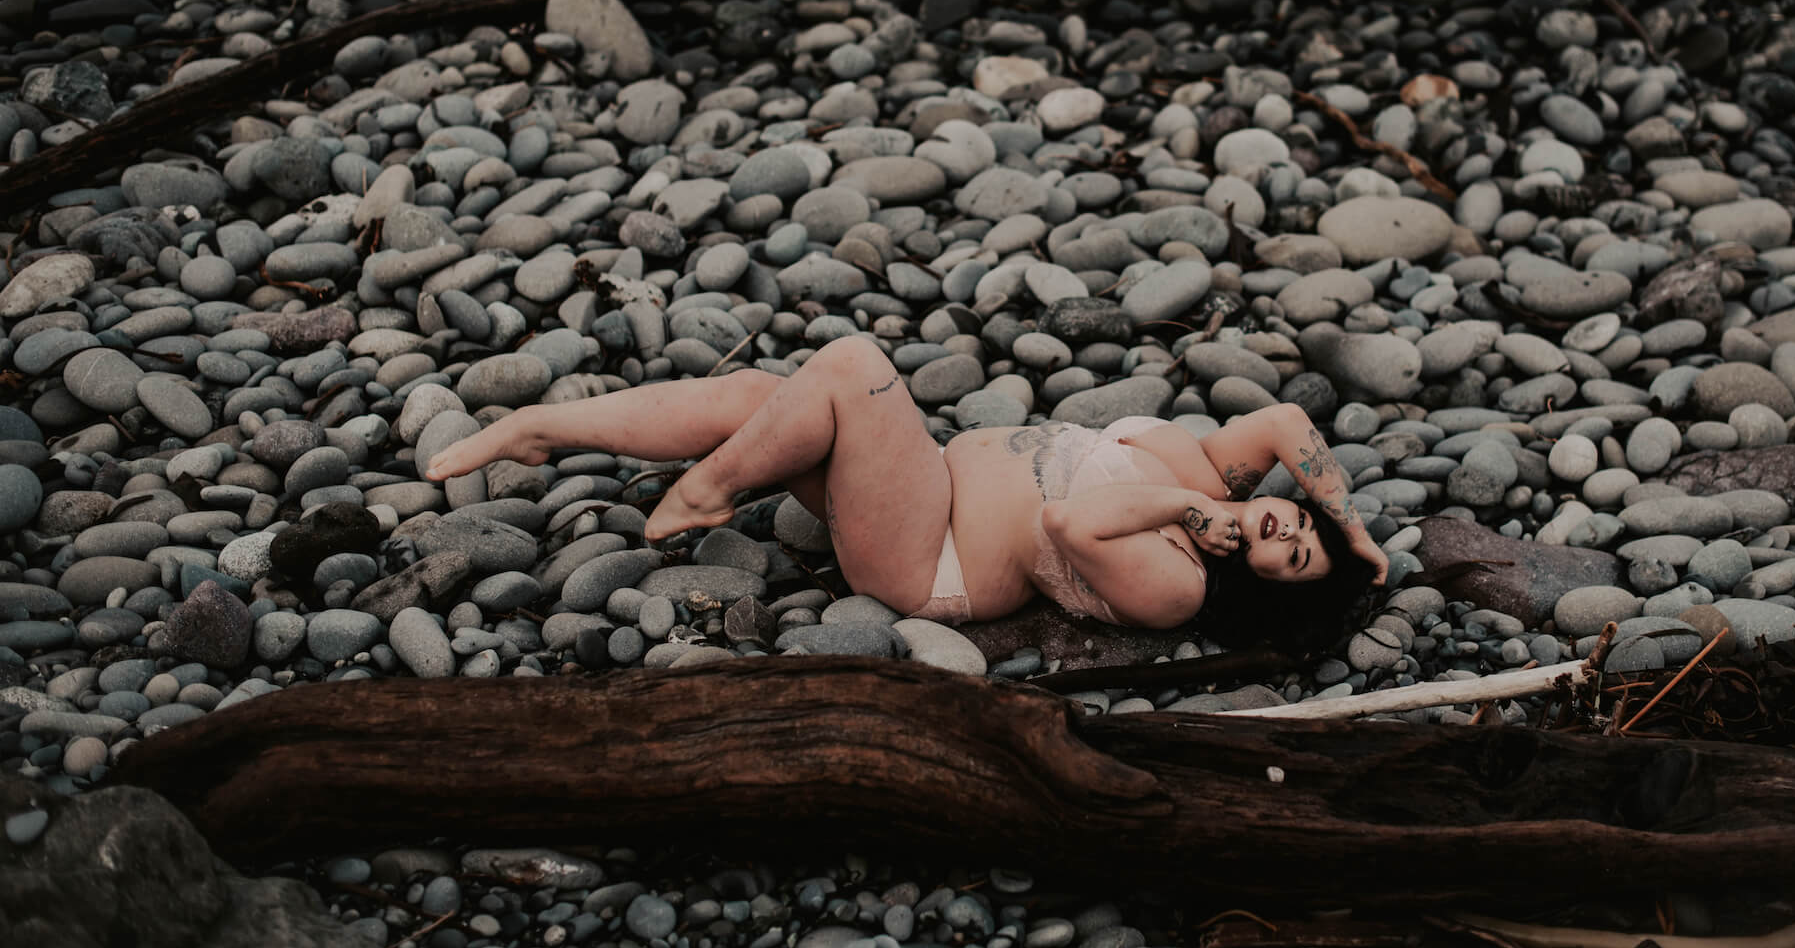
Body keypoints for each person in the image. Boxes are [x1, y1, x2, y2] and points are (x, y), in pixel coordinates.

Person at [425, 335, 1388, 637]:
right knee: (768, 395)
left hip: (930, 556)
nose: (1277, 530)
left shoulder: (1178, 579)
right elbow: (1290, 424)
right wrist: (1353, 535)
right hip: (924, 483)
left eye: (1287, 558)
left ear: (1255, 578)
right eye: (1295, 525)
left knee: (849, 366)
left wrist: (1189, 509)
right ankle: (541, 426)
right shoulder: (1216, 472)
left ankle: (709, 492)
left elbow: (1072, 519)